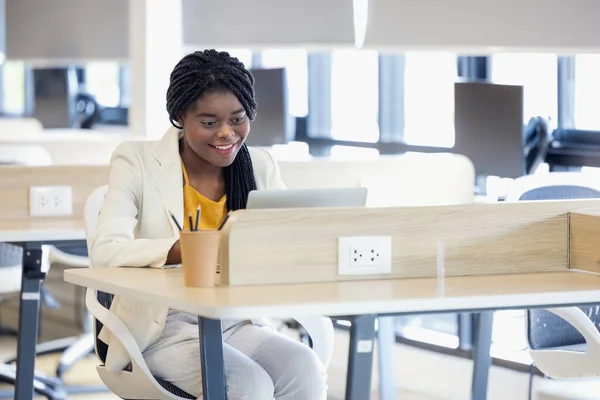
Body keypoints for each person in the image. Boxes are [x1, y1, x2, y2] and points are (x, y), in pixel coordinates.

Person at [89, 49, 328, 399]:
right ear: (180, 117)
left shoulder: (260, 166)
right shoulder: (136, 160)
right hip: (161, 326)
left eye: (237, 118)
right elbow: (105, 250)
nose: (227, 134)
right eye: (209, 122)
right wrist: (180, 250)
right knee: (248, 383)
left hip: (234, 319)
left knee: (304, 366)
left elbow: (285, 240)